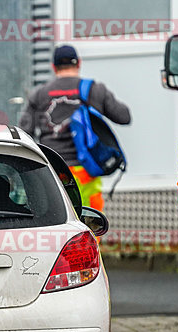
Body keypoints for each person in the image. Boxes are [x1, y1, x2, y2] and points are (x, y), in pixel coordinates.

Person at [19, 44, 131, 211]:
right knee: (89, 223)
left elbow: (24, 133)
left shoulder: (40, 94)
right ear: (78, 63)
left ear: (53, 67)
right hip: (85, 171)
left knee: (55, 220)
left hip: (52, 170)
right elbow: (124, 117)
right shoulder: (93, 90)